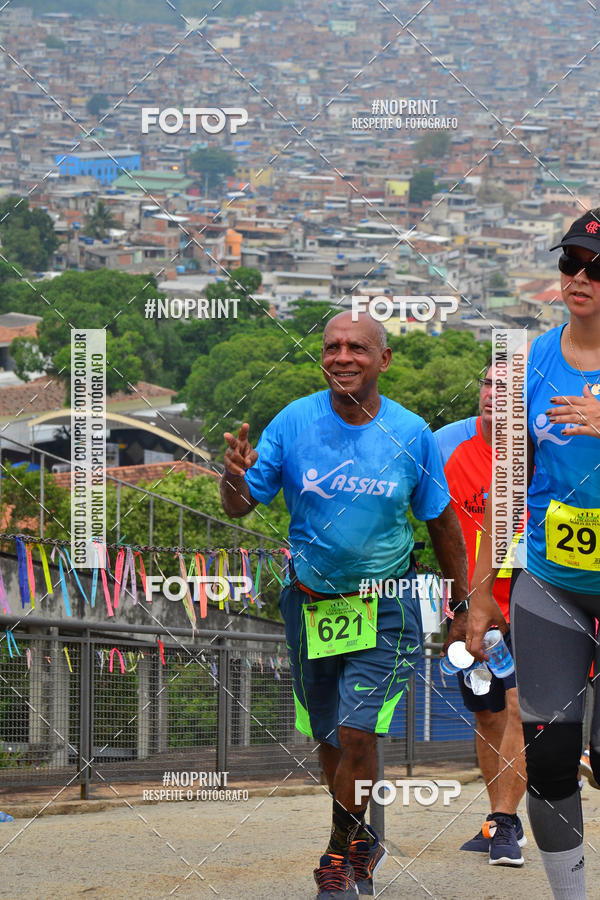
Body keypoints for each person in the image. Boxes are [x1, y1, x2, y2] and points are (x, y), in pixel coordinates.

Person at [219, 311, 469, 899]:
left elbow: (441, 521)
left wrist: (464, 597)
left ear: (383, 360)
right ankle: (360, 835)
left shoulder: (411, 433)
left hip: (387, 602)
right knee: (331, 740)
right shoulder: (293, 421)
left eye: (357, 347)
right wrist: (231, 476)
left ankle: (337, 852)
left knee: (358, 735)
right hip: (309, 603)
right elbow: (238, 506)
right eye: (332, 347)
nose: (342, 357)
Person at [466, 208, 600, 900]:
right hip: (552, 580)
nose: (579, 277)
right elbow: (506, 488)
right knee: (549, 756)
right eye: (569, 262)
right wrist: (485, 593)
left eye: (596, 267)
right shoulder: (530, 366)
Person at [435, 364, 527, 866]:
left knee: (516, 709)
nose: (496, 394)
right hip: (469, 606)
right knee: (486, 713)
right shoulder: (446, 445)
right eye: (490, 382)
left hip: (531, 598)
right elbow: (430, 521)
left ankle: (509, 824)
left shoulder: (536, 450)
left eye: (510, 387)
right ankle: (496, 820)